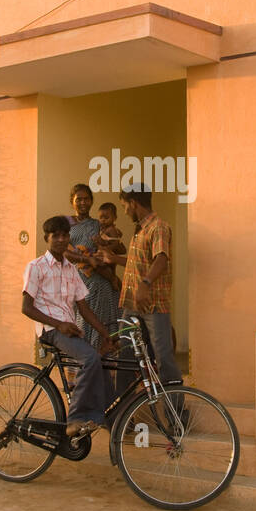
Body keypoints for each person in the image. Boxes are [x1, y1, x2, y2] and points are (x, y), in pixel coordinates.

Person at [22, 215, 118, 439]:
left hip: (69, 329)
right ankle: (76, 418)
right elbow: (26, 308)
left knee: (100, 362)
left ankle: (112, 418)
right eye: (56, 236)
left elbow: (84, 309)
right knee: (90, 359)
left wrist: (106, 334)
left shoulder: (71, 270)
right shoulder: (36, 267)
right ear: (47, 238)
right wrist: (59, 324)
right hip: (51, 330)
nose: (61, 240)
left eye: (65, 235)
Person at [98, 184, 182, 385]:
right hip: (132, 305)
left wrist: (145, 283)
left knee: (163, 358)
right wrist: (113, 259)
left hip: (153, 305)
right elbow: (139, 262)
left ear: (133, 203)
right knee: (126, 355)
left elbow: (161, 259)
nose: (125, 211)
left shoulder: (158, 227)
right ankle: (125, 411)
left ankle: (176, 412)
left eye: (125, 206)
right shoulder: (139, 230)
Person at [62, 183, 120, 348]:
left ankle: (104, 365)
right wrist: (87, 260)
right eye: (78, 199)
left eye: (86, 199)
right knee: (82, 321)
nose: (83, 203)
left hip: (100, 282)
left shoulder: (98, 224)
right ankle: (84, 365)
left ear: (92, 201)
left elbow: (114, 246)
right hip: (78, 280)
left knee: (103, 322)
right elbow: (64, 252)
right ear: (72, 201)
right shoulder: (66, 224)